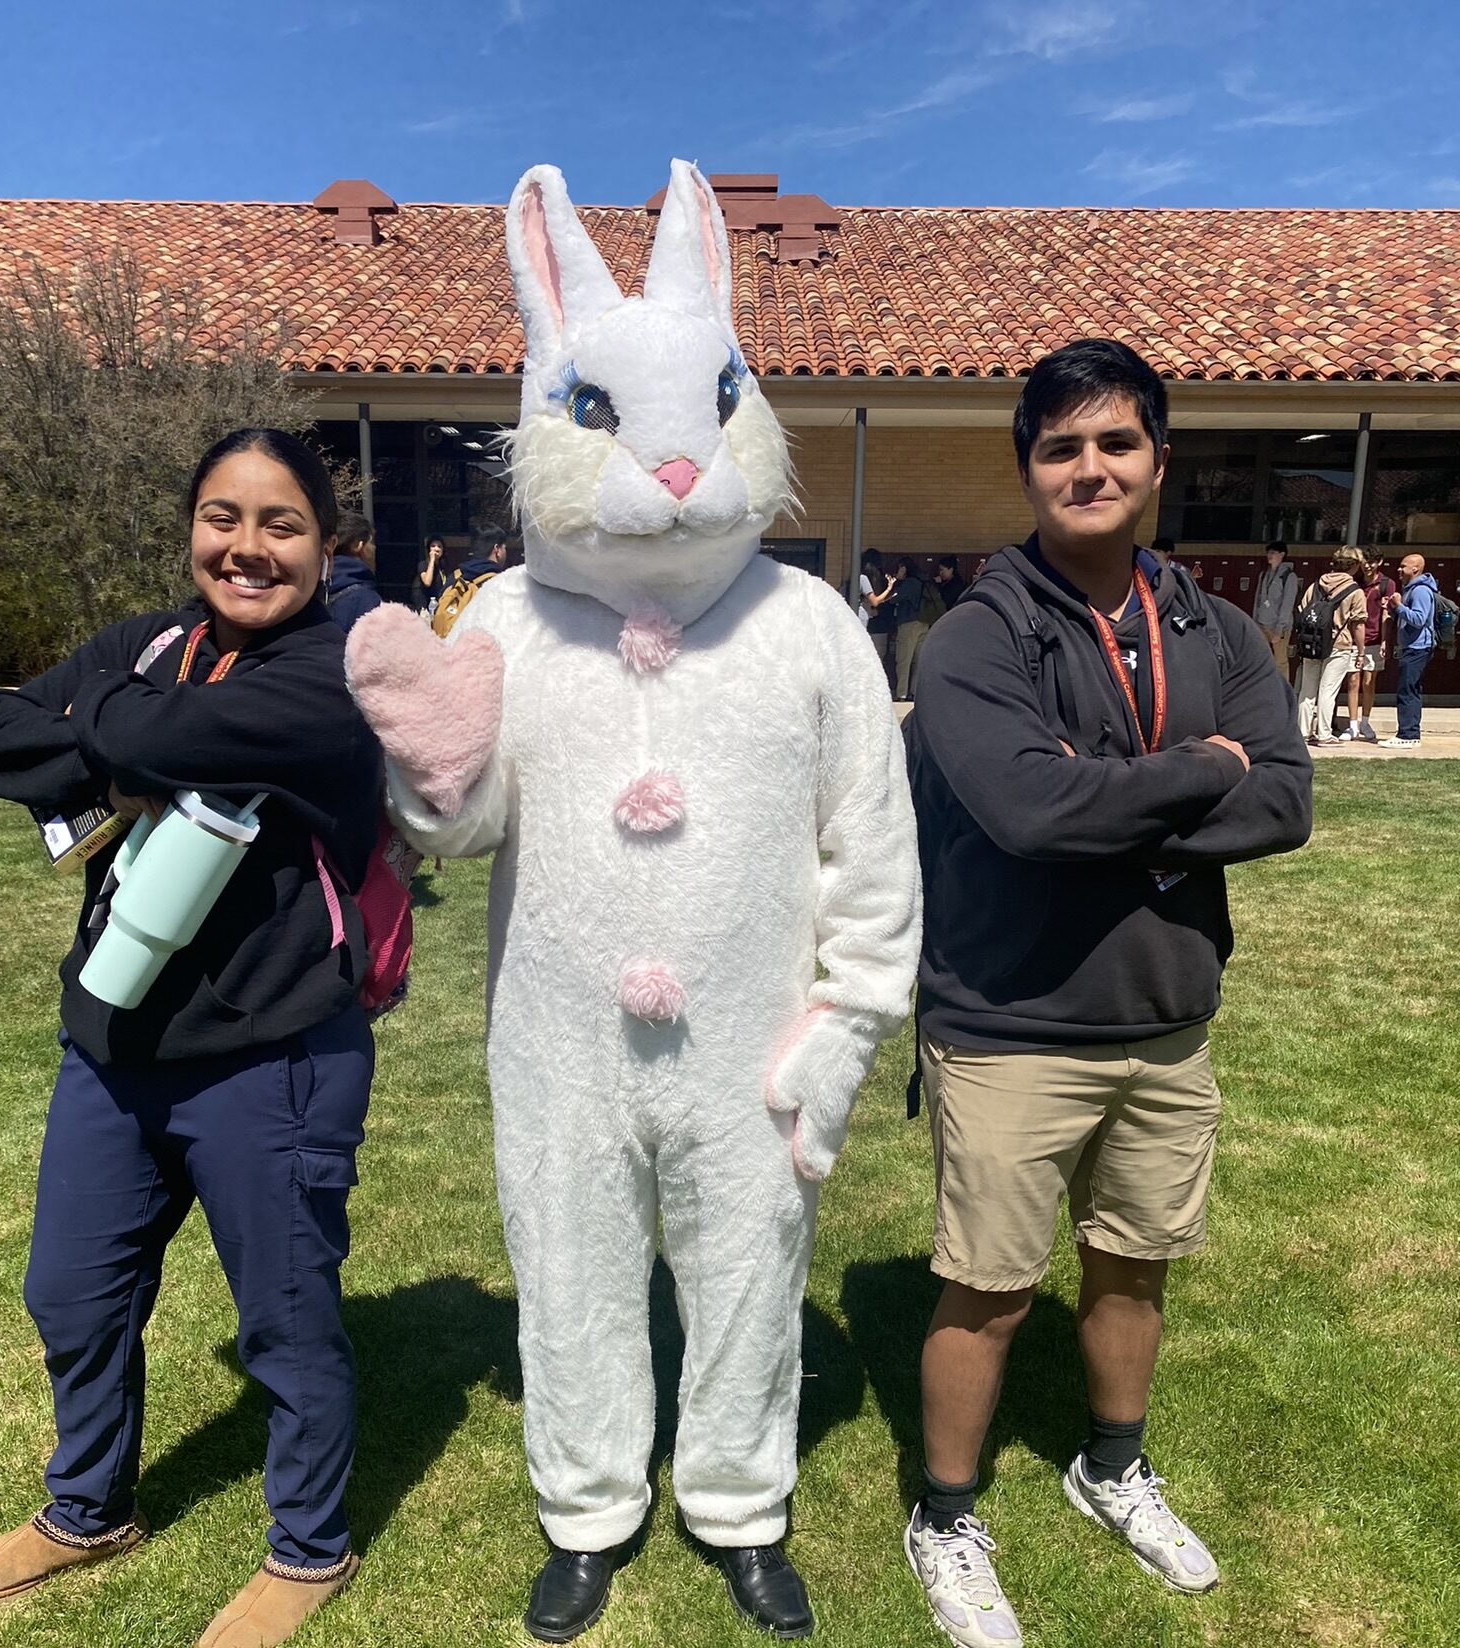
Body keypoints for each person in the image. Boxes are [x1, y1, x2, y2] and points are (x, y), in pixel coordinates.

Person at [347, 158, 920, 1643]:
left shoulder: (806, 627)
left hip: (752, 1033)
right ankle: (589, 1508)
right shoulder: (516, 622)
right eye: (605, 413)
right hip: (559, 1039)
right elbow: (461, 833)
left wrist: (849, 1027)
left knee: (750, 1275)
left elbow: (874, 845)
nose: (671, 468)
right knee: (571, 1269)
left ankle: (739, 1505)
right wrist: (430, 767)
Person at [903, 339, 1311, 1646]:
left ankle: (1112, 1467)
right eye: (1061, 446)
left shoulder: (1217, 624)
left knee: (1135, 1270)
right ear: (1027, 468)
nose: (1090, 467)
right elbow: (1023, 807)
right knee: (993, 1288)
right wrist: (1200, 768)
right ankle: (946, 1516)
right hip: (1011, 1020)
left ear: (1156, 460)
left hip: (1166, 1018)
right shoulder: (976, 635)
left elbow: (1287, 799)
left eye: (1115, 442)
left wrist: (1111, 806)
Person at [0, 429, 384, 1648]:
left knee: (285, 1321)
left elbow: (140, 742)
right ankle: (86, 1507)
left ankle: (308, 1546)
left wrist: (98, 723)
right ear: (193, 526)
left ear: (323, 541)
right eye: (222, 517)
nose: (246, 547)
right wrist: (120, 720)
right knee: (71, 1295)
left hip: (275, 1050)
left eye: (280, 524)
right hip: (112, 1044)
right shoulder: (150, 641)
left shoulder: (342, 663)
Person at [1293, 547, 1366, 746]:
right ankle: (1324, 734)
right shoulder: (1355, 591)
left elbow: (1301, 610)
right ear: (1355, 566)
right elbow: (1358, 624)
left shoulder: (1316, 585)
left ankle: (1303, 732)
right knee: (1328, 691)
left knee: (1307, 690)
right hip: (1339, 644)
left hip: (1312, 643)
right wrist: (1361, 651)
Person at [1380, 552, 1440, 747]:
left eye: (1403, 566)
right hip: (1411, 647)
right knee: (1409, 689)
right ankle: (1408, 732)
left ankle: (1408, 734)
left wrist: (1398, 607)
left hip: (1418, 647)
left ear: (1415, 569)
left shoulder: (1421, 590)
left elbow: (1419, 619)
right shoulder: (1409, 589)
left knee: (1408, 690)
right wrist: (1392, 608)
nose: (1399, 569)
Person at [1341, 553, 1393, 743]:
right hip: (1354, 640)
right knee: (1353, 681)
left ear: (1379, 562)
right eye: (1364, 562)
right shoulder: (1355, 582)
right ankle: (1352, 724)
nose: (1367, 566)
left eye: (1371, 562)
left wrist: (1385, 640)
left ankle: (1365, 721)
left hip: (1374, 639)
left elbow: (1386, 614)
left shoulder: (1386, 584)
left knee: (1369, 683)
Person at [326, 509, 383, 634]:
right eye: (371, 542)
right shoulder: (365, 600)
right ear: (358, 545)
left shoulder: (308, 591)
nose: (374, 548)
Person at [1252, 540, 1298, 680]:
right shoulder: (1264, 574)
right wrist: (1254, 622)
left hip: (1278, 627)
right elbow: (1258, 600)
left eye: (1273, 552)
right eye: (1268, 552)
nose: (1269, 555)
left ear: (1282, 554)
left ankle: (1283, 692)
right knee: (1261, 660)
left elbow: (1287, 604)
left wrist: (1279, 629)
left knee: (1280, 662)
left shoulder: (1289, 576)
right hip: (1262, 624)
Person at [892, 557, 928, 701]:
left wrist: (898, 580)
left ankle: (902, 693)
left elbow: (894, 598)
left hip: (908, 623)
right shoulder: (923, 580)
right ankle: (914, 692)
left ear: (904, 568)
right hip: (924, 622)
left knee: (904, 660)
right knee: (918, 660)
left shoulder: (909, 583)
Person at [412, 534, 445, 616]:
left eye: (439, 546)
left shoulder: (443, 566)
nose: (436, 549)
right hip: (423, 604)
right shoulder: (423, 565)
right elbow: (427, 582)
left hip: (435, 604)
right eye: (433, 546)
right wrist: (432, 560)